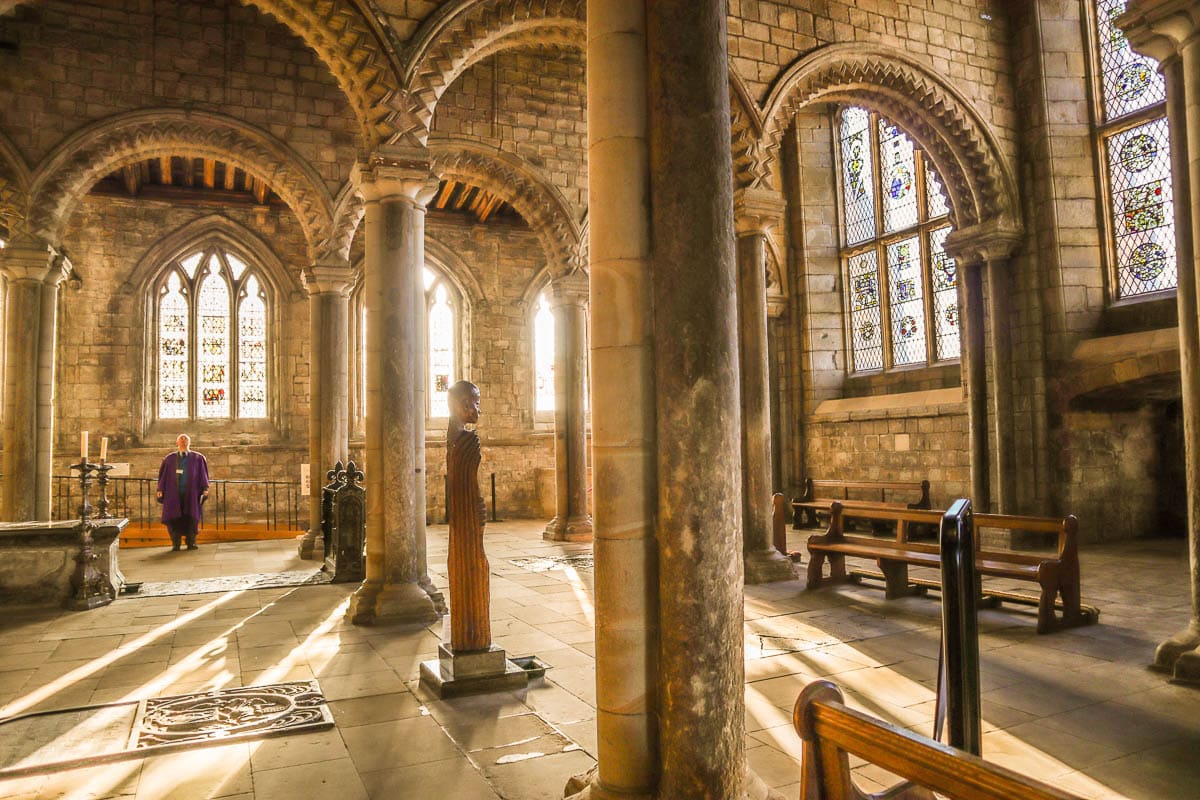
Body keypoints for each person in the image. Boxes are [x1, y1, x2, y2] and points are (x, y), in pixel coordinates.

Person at [445, 380, 490, 651]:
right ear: (461, 404)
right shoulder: (466, 440)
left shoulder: (454, 437)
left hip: (467, 519)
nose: (478, 410)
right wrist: (477, 509)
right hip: (468, 522)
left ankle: (468, 632)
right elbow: (466, 485)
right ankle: (472, 635)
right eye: (474, 403)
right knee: (474, 569)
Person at [156, 434, 210, 551]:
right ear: (177, 442)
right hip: (173, 494)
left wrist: (205, 488)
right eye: (181, 439)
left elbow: (203, 474)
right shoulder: (169, 459)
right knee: (174, 517)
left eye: (186, 439)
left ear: (189, 443)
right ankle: (176, 543)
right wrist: (160, 489)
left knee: (191, 517)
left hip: (191, 494)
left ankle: (191, 542)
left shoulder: (198, 458)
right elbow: (163, 476)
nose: (183, 441)